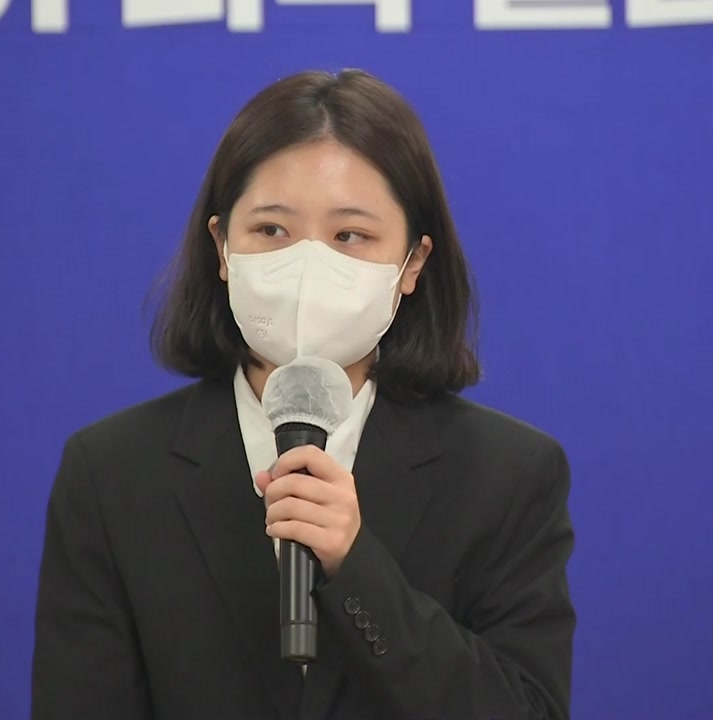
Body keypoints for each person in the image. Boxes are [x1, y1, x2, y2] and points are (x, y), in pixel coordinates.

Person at [30, 69, 576, 720]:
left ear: (413, 264)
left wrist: (358, 568)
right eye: (272, 231)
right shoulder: (110, 473)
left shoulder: (509, 475)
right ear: (222, 248)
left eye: (350, 236)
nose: (308, 267)